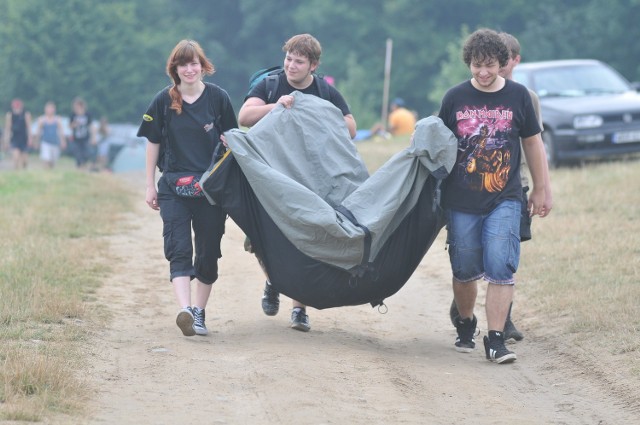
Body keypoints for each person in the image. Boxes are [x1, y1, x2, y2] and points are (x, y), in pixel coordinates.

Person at [437, 28, 550, 364]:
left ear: (503, 63)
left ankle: (497, 339)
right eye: (476, 65)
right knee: (465, 269)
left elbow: (532, 143)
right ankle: (466, 321)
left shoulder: (518, 97)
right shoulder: (454, 98)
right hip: (461, 199)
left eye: (489, 65)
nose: (483, 73)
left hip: (506, 196)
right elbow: (438, 145)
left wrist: (542, 188)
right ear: (468, 63)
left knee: (501, 264)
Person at [238, 33, 357, 332]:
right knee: (263, 237)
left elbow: (351, 128)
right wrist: (276, 106)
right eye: (288, 58)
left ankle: (299, 309)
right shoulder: (269, 84)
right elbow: (245, 116)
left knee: (305, 237)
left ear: (313, 65)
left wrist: (315, 113)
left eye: (299, 61)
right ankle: (273, 280)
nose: (291, 65)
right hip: (270, 174)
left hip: (308, 177)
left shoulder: (324, 91)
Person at [137, 39, 238, 337]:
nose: (190, 69)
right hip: (173, 186)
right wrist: (149, 186)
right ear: (175, 69)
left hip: (210, 188)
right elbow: (152, 143)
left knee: (207, 252)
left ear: (203, 66)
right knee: (178, 247)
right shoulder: (162, 101)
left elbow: (234, 139)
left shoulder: (219, 99)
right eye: (184, 64)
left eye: (194, 63)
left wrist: (229, 144)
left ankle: (199, 312)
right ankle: (185, 309)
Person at [34, 101, 67, 169]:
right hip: (45, 142)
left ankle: (51, 174)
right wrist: (36, 141)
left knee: (52, 161)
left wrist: (63, 141)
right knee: (46, 159)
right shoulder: (42, 119)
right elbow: (38, 131)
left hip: (55, 142)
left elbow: (61, 131)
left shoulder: (57, 119)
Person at [3, 98, 33, 169]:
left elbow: (29, 127)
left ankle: (24, 171)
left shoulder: (26, 115)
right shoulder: (10, 115)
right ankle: (16, 171)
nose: (16, 109)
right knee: (16, 157)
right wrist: (6, 141)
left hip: (24, 139)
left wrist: (30, 138)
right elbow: (8, 129)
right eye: (15, 107)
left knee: (25, 160)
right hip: (15, 139)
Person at [69, 97, 96, 169]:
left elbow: (91, 126)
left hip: (85, 138)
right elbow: (70, 126)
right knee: (77, 154)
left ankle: (85, 164)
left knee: (87, 153)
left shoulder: (87, 114)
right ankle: (80, 166)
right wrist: (74, 124)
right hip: (76, 138)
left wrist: (93, 137)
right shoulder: (73, 115)